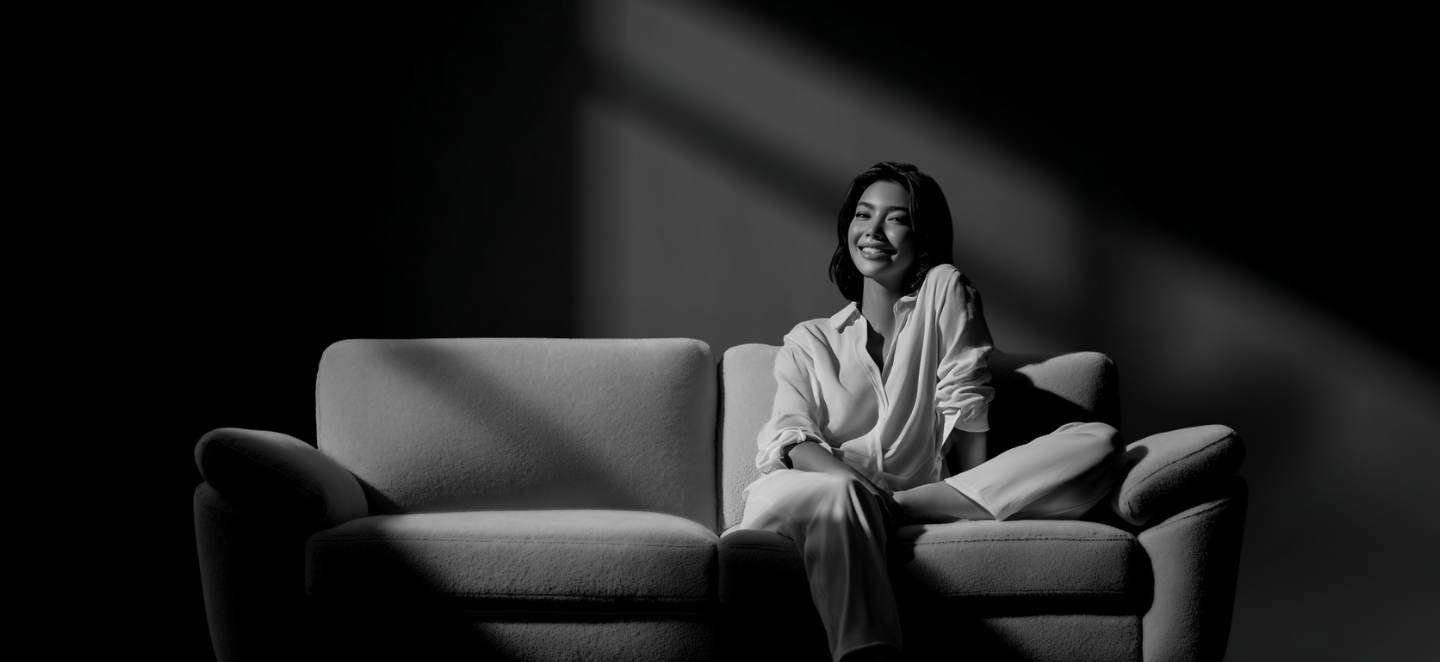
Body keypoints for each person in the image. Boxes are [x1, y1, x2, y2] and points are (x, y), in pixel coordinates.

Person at [729, 162, 1125, 662]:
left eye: (896, 219)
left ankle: (905, 508)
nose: (873, 231)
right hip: (804, 494)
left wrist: (921, 498)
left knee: (1100, 441)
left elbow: (966, 402)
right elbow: (792, 439)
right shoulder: (811, 340)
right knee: (841, 493)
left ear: (924, 237)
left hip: (908, 500)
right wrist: (861, 489)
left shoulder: (942, 292)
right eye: (863, 215)